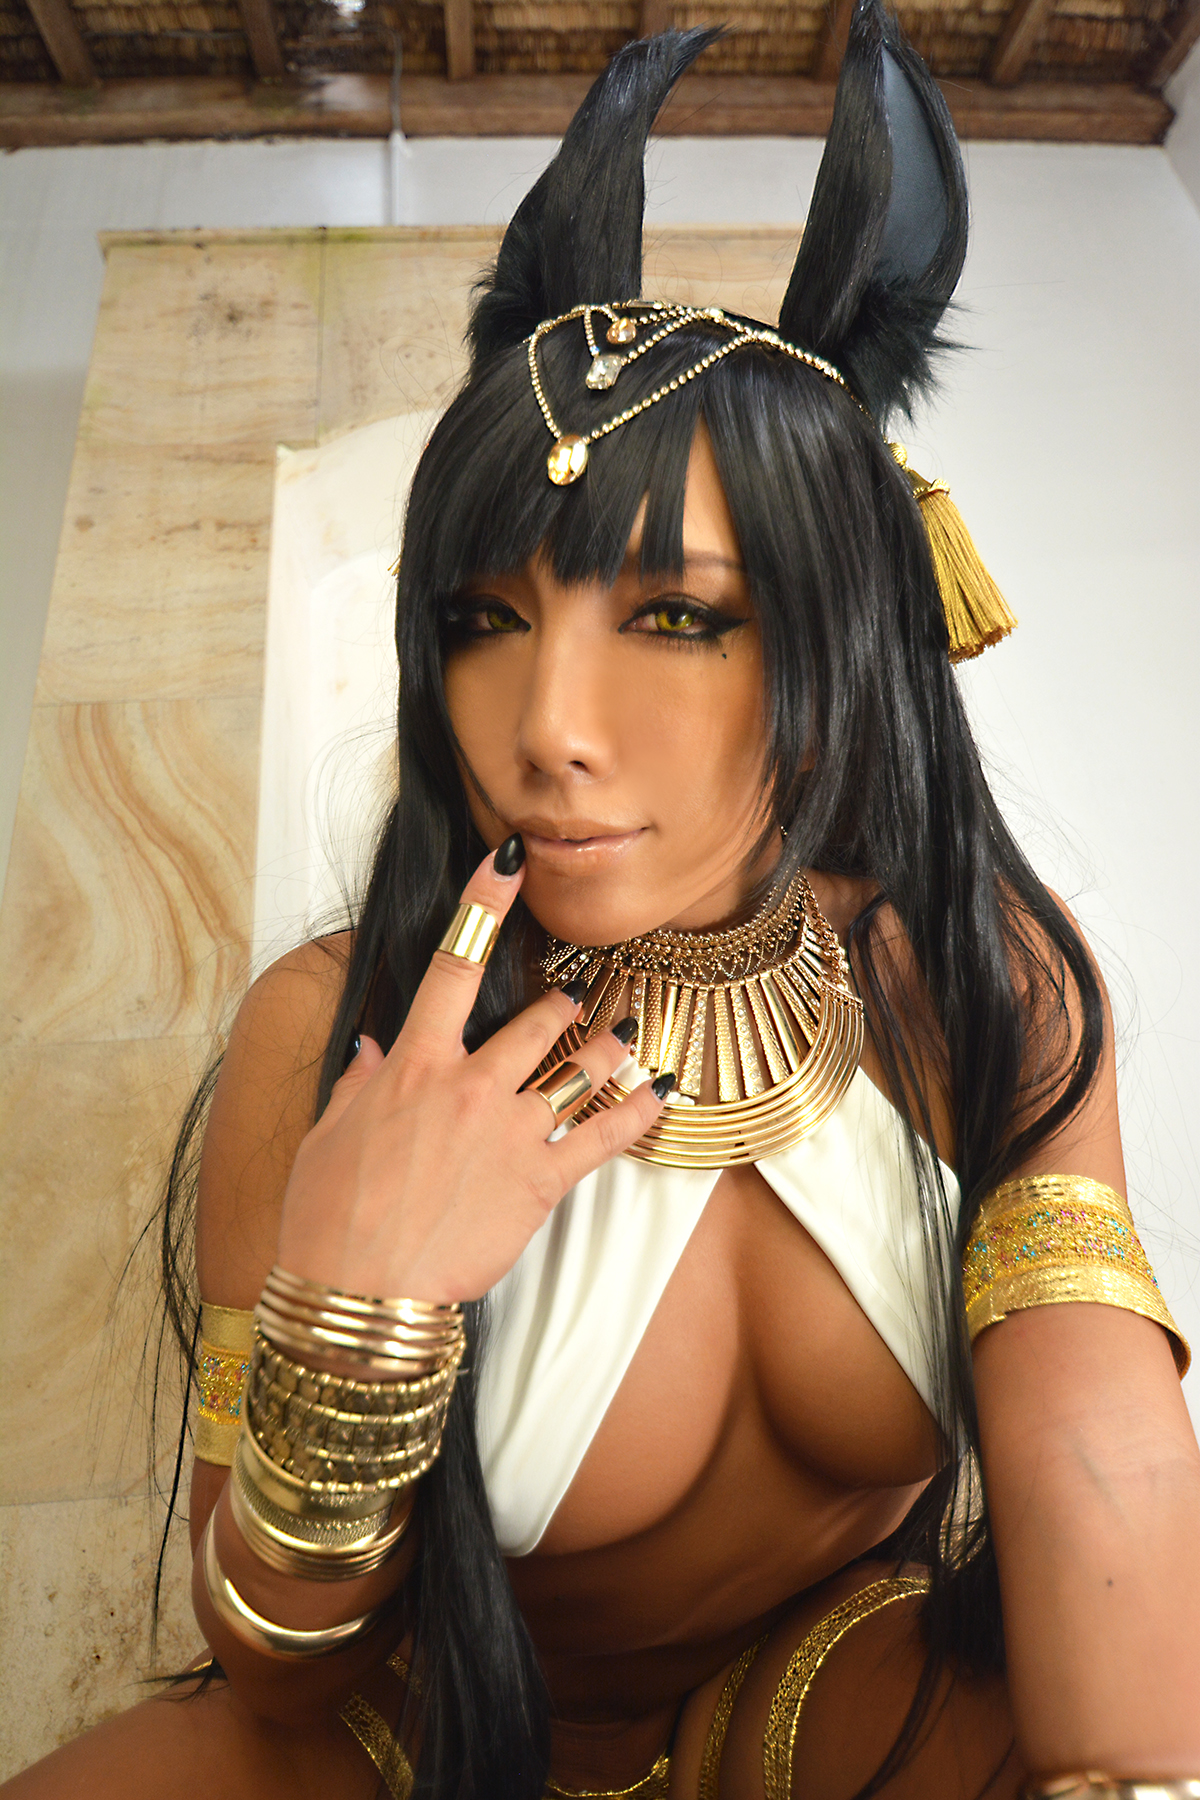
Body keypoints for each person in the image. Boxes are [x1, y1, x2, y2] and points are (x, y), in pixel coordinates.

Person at [6, 5, 1200, 1797]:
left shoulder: (975, 972)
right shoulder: (327, 1029)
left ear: (839, 650)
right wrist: (365, 1306)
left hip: (834, 1695)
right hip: (420, 1728)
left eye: (678, 617)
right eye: (485, 619)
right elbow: (268, 1663)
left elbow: (1101, 1452)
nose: (546, 727)